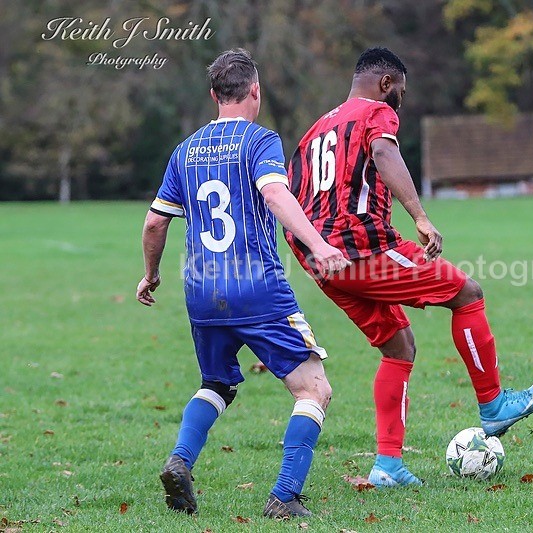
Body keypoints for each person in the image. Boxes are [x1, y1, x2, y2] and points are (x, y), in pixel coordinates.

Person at [283, 47, 533, 487]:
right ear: (385, 83)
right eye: (399, 94)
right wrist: (421, 217)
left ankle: (387, 466)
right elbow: (386, 157)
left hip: (321, 261)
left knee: (399, 347)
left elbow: (291, 197)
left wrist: (314, 252)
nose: (399, 105)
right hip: (361, 247)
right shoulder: (375, 113)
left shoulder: (313, 132)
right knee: (467, 292)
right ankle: (494, 404)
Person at [136, 48, 349, 518]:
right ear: (256, 91)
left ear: (214, 95)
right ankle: (285, 496)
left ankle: (180, 461)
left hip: (200, 291)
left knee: (216, 382)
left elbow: (155, 223)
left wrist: (151, 275)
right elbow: (274, 193)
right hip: (256, 286)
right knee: (314, 390)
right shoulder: (260, 141)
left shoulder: (185, 150)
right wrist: (319, 245)